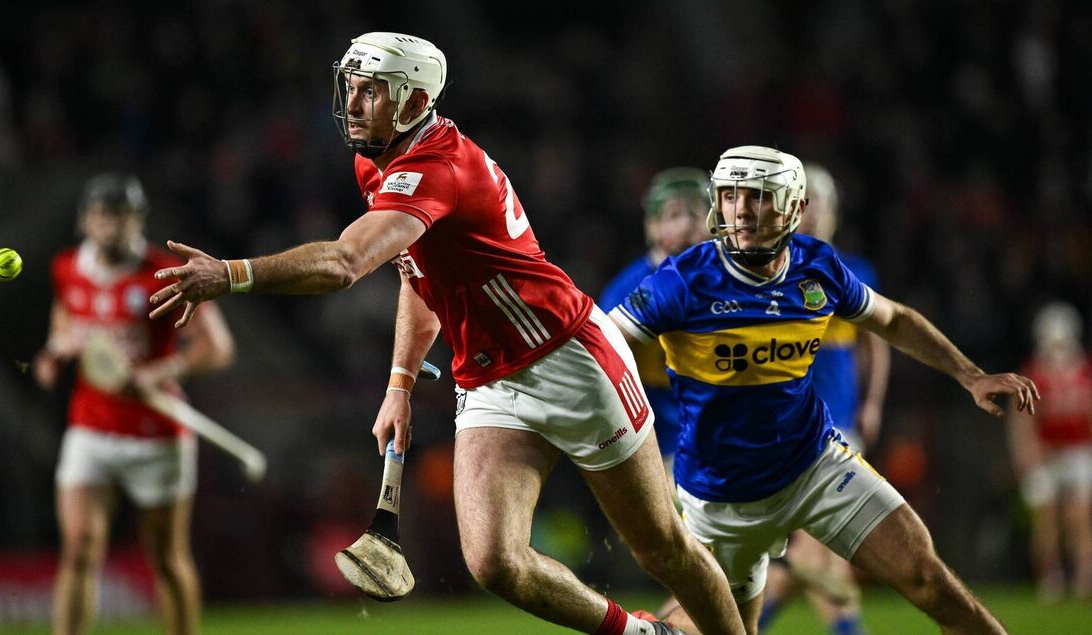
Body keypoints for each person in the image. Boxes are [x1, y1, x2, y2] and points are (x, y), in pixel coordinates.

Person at [148, 32, 744, 635]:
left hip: (569, 358)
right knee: (495, 563)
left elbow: (344, 263)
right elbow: (417, 274)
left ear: (411, 103)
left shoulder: (439, 167)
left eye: (371, 91)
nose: (352, 104)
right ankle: (645, 634)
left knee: (660, 547)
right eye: (350, 88)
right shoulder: (376, 161)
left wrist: (232, 275)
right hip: (489, 377)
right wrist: (400, 384)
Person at [609, 145, 1038, 635]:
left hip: (816, 466)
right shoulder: (681, 282)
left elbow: (893, 320)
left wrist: (970, 375)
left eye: (759, 196)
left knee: (930, 581)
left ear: (794, 206)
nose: (742, 210)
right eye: (730, 196)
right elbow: (602, 348)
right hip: (721, 501)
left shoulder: (818, 266)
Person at [33, 174, 235, 635]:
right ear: (86, 220)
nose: (112, 227)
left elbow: (218, 349)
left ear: (138, 221)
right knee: (80, 549)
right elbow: (65, 316)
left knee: (166, 558)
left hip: (156, 435)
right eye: (104, 216)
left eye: (123, 217)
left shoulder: (166, 273)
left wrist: (158, 373)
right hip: (90, 427)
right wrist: (53, 351)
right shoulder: (66, 267)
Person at [757, 164, 890, 634]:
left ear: (834, 212)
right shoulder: (770, 270)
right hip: (785, 430)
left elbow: (878, 342)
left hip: (841, 427)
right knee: (815, 553)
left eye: (821, 204)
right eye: (802, 204)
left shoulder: (855, 272)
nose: (812, 215)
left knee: (816, 550)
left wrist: (872, 403)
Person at [598, 167, 712, 461]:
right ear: (653, 225)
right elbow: (602, 358)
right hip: (660, 440)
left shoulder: (726, 278)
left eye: (697, 214)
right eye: (675, 215)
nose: (687, 225)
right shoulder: (631, 286)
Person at [1006, 301, 1092, 603]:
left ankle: (1083, 575)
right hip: (1045, 453)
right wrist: (1025, 453)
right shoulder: (1032, 373)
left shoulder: (1084, 372)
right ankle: (1050, 578)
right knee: (1046, 519)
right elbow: (1021, 419)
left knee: (1079, 516)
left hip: (1077, 450)